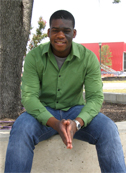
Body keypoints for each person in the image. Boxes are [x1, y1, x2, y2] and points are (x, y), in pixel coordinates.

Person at [4, 10, 126, 173]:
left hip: (75, 110)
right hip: (43, 111)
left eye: (66, 31)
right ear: (48, 32)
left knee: (109, 129)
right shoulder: (35, 57)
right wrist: (55, 123)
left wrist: (77, 123)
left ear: (74, 33)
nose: (60, 35)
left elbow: (95, 98)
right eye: (55, 30)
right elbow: (29, 97)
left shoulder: (88, 58)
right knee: (21, 128)